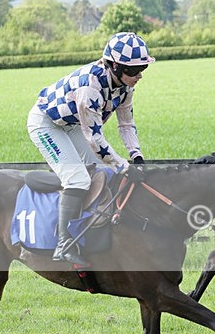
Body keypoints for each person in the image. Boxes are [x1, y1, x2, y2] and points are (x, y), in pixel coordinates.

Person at [27, 31, 154, 265]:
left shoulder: (125, 87)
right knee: (78, 179)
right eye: (134, 70)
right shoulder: (90, 87)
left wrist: (136, 156)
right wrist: (123, 166)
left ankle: (92, 229)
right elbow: (94, 138)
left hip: (73, 124)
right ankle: (63, 244)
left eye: (142, 69)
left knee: (100, 174)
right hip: (47, 124)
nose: (139, 76)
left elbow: (126, 124)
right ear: (114, 66)